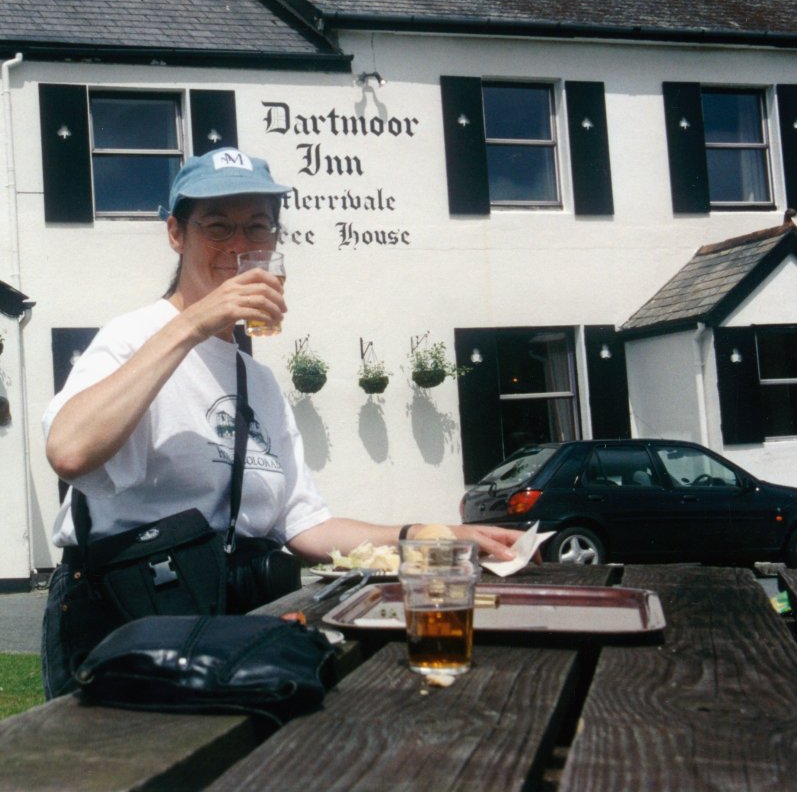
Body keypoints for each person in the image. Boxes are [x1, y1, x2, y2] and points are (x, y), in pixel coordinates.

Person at [40, 147, 522, 697]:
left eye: (258, 228)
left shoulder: (257, 380)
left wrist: (431, 537)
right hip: (123, 622)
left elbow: (305, 525)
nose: (241, 247)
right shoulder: (133, 337)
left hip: (226, 623)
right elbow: (70, 451)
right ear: (176, 234)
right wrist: (196, 321)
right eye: (217, 227)